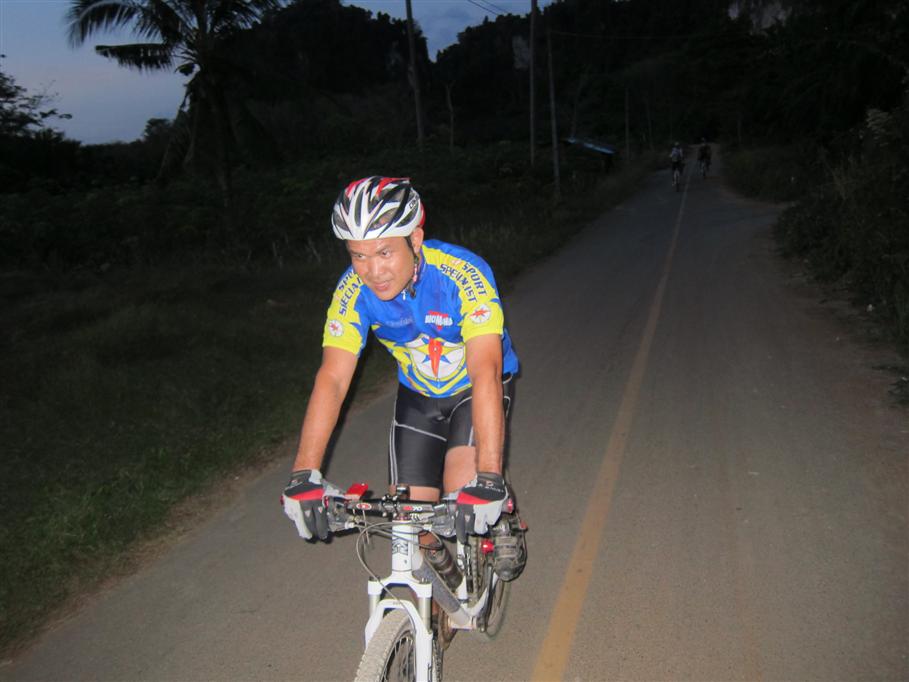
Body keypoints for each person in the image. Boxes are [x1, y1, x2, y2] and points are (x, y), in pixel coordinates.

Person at [281, 176, 524, 579]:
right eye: (358, 256)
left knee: (461, 489)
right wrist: (304, 473)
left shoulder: (463, 275)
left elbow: (486, 371)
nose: (373, 271)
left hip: (473, 390)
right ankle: (442, 589)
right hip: (418, 398)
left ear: (415, 239)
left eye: (384, 252)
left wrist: (489, 475)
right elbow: (333, 378)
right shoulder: (352, 291)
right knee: (408, 524)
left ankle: (503, 517)